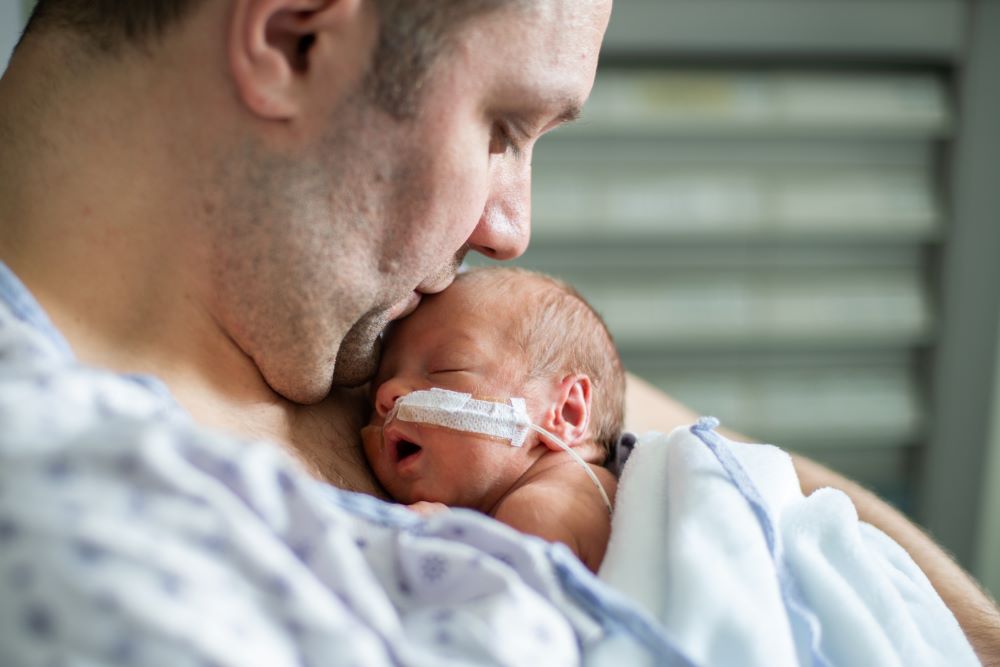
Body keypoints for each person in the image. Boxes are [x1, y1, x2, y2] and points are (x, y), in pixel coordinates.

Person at [0, 0, 997, 663]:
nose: (509, 228)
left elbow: (741, 476)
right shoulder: (78, 522)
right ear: (294, 37)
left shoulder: (379, 325)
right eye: (502, 127)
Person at [362, 267, 622, 572]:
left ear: (566, 412)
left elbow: (507, 614)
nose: (388, 393)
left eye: (447, 368)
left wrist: (444, 544)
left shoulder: (540, 509)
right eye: (383, 378)